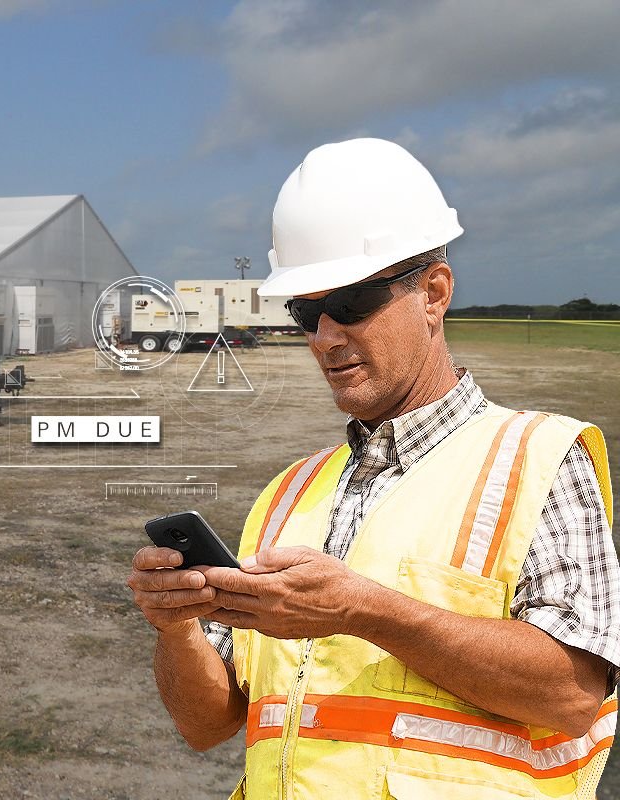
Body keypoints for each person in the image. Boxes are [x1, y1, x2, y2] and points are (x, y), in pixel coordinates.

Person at [128, 138, 618, 799]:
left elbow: (573, 693)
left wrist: (363, 611)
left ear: (434, 293)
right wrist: (176, 626)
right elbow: (207, 724)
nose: (327, 337)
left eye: (353, 305)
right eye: (306, 312)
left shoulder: (537, 460)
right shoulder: (285, 496)